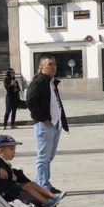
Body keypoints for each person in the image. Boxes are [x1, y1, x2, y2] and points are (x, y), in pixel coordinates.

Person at [0, 135, 63, 207]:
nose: (14, 152)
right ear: (0, 150)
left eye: (14, 149)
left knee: (31, 184)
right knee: (27, 186)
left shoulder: (0, 160)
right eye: (11, 149)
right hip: (5, 190)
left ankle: (53, 196)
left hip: (11, 186)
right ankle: (46, 203)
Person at [25, 56, 68, 192]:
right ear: (41, 67)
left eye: (55, 64)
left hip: (56, 125)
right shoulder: (38, 81)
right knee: (43, 157)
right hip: (45, 125)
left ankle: (44, 183)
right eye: (50, 64)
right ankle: (43, 186)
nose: (53, 66)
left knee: (49, 157)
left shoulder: (51, 82)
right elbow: (30, 102)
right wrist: (43, 118)